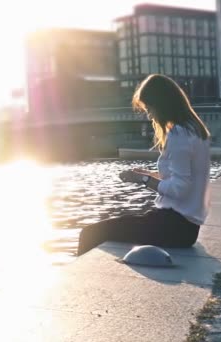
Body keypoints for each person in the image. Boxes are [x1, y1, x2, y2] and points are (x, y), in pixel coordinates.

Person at [77, 74, 211, 256]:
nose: (149, 115)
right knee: (106, 230)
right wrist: (148, 175)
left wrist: (143, 179)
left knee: (90, 233)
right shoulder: (193, 129)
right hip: (184, 227)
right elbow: (181, 179)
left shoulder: (179, 133)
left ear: (162, 104)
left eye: (149, 108)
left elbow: (180, 189)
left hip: (175, 227)